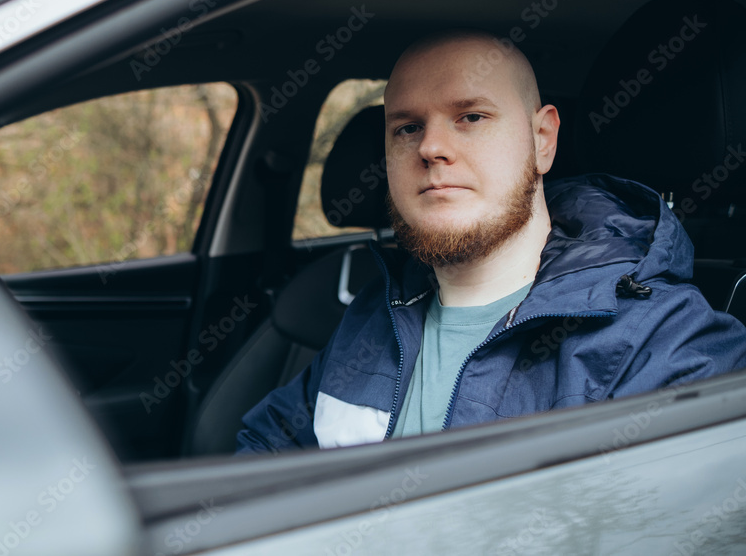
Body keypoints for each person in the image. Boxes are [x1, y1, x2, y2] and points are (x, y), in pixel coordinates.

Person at [236, 30, 746, 453]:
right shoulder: (377, 310)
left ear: (542, 140)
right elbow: (265, 450)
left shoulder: (661, 341)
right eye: (408, 127)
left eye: (471, 117)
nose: (432, 147)